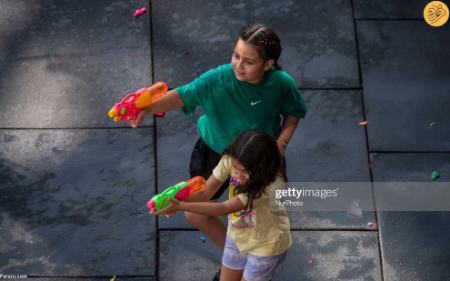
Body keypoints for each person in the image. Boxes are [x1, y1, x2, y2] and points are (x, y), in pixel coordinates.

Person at [131, 23, 306, 251]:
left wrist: (281, 142)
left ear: (268, 64)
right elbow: (184, 95)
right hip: (214, 150)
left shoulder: (281, 84)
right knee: (196, 214)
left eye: (249, 61)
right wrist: (148, 108)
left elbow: (293, 113)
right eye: (236, 56)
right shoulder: (216, 79)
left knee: (257, 212)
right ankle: (236, 256)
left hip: (258, 156)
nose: (238, 65)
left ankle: (255, 253)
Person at [153, 130, 292, 281]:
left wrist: (180, 206)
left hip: (266, 246)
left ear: (262, 168)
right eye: (235, 170)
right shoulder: (231, 160)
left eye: (244, 172)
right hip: (237, 234)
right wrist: (176, 200)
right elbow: (207, 193)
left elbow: (224, 208)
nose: (237, 176)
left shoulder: (270, 185)